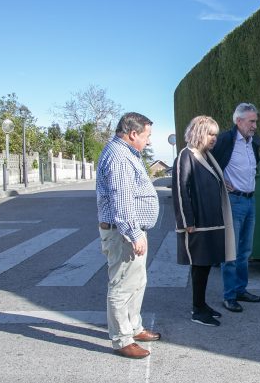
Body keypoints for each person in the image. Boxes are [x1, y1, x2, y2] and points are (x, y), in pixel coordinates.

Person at [96, 112, 161, 359]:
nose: (149, 141)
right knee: (122, 285)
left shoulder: (124, 152)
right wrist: (134, 234)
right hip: (123, 232)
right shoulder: (120, 156)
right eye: (147, 136)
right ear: (133, 133)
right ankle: (122, 338)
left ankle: (134, 327)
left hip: (128, 230)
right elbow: (122, 201)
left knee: (135, 282)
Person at [172, 115, 236, 326]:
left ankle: (202, 304)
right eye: (210, 133)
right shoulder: (186, 155)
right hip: (198, 223)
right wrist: (186, 221)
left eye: (215, 134)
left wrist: (221, 184)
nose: (214, 138)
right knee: (199, 266)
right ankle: (197, 309)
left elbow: (207, 179)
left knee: (206, 264)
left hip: (211, 221)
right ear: (199, 132)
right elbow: (181, 190)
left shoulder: (206, 155)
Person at [211, 103, 260, 313]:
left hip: (250, 201)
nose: (255, 125)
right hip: (233, 201)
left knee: (245, 250)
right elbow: (207, 161)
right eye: (251, 121)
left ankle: (241, 289)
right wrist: (220, 179)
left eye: (256, 121)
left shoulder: (253, 143)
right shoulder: (226, 139)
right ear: (238, 121)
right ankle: (229, 295)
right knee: (230, 251)